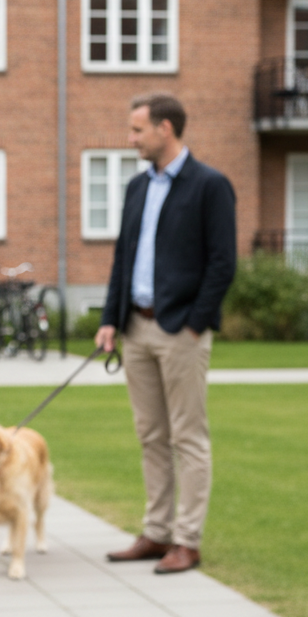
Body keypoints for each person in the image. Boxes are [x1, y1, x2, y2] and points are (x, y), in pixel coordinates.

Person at [96, 93, 236, 573]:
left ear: (166, 129)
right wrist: (110, 320)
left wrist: (196, 323)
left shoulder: (210, 185)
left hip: (181, 332)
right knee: (150, 434)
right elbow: (123, 258)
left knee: (188, 438)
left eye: (137, 130)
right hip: (135, 328)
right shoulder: (137, 187)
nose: (130, 138)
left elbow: (223, 263)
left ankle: (187, 540)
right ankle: (156, 534)